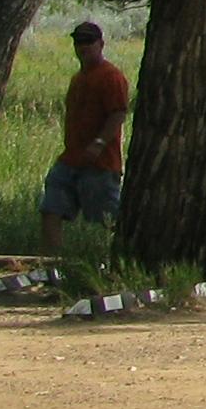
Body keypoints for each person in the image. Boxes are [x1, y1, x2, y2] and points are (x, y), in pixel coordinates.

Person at [40, 21, 131, 254]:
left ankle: (125, 256)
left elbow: (118, 113)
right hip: (71, 159)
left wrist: (98, 144)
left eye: (89, 42)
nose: (83, 47)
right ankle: (55, 262)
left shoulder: (111, 76)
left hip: (100, 163)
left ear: (100, 44)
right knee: (51, 207)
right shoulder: (78, 79)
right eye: (79, 42)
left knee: (107, 218)